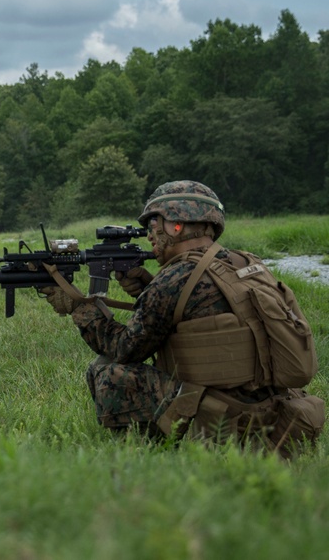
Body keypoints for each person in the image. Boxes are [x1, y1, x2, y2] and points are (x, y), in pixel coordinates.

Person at [39, 180, 324, 455]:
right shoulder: (245, 262)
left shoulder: (176, 277)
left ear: (176, 225)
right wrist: (149, 289)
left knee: (107, 370)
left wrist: (78, 307)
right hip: (271, 410)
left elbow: (125, 348)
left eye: (153, 224)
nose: (149, 235)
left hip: (224, 420)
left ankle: (154, 443)